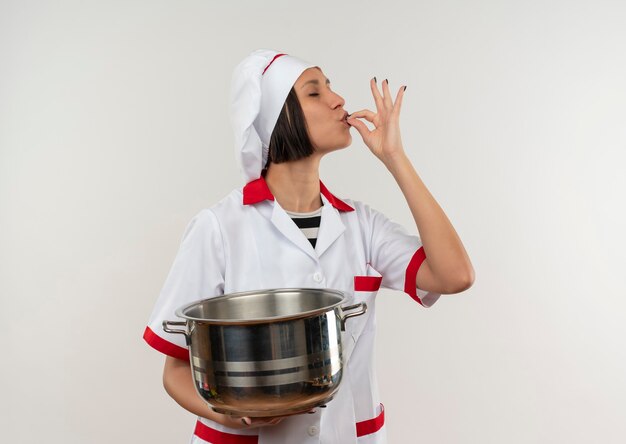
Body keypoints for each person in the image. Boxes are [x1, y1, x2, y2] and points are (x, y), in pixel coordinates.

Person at [143, 48, 475, 444]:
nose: (338, 100)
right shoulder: (218, 227)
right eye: (314, 93)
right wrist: (236, 415)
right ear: (278, 118)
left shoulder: (360, 224)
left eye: (331, 88)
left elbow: (454, 275)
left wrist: (395, 158)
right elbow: (175, 373)